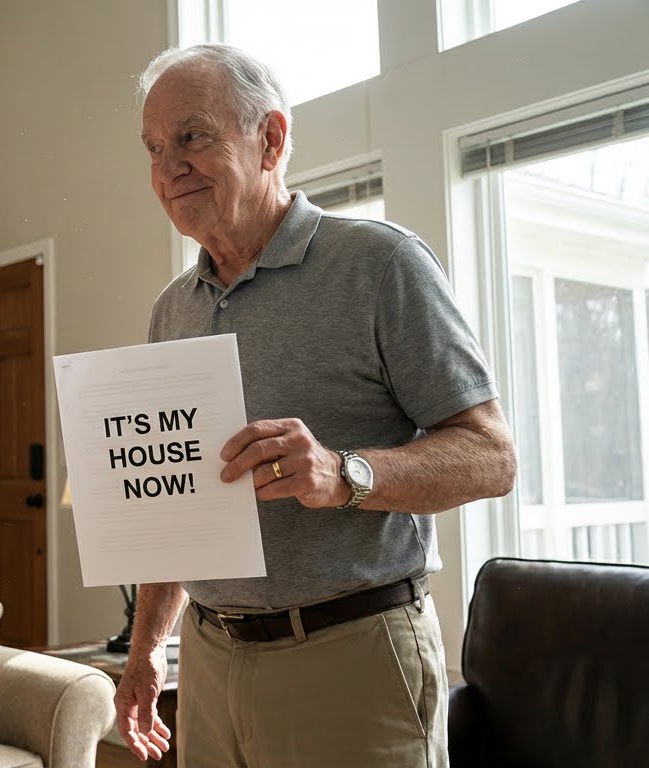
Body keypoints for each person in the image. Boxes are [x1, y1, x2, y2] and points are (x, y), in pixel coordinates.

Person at [113, 45, 516, 768]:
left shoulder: (380, 263)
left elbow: (491, 458)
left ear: (268, 139)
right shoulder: (170, 310)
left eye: (191, 136)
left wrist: (344, 472)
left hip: (350, 655)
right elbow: (171, 503)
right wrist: (147, 653)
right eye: (152, 147)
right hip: (205, 659)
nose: (167, 166)